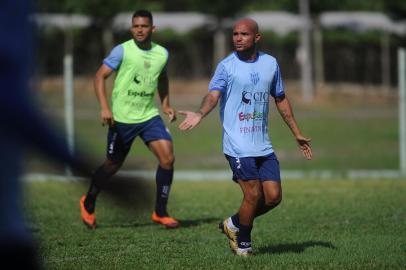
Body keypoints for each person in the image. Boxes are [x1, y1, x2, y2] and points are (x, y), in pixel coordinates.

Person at [178, 18, 312, 256]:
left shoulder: (270, 64)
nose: (238, 38)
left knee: (273, 198)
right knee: (253, 194)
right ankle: (244, 245)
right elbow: (212, 95)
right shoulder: (227, 66)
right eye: (235, 34)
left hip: (263, 144)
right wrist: (200, 113)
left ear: (256, 38)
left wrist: (297, 133)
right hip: (237, 145)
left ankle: (233, 223)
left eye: (244, 34)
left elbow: (280, 98)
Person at [80, 10, 179, 229]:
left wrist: (165, 105)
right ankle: (88, 201)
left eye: (144, 26)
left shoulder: (162, 53)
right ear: (131, 28)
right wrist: (105, 108)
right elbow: (99, 77)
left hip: (148, 116)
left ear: (153, 29)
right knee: (112, 165)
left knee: (168, 158)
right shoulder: (122, 51)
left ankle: (160, 212)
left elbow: (162, 78)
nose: (140, 30)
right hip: (122, 119)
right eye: (136, 26)